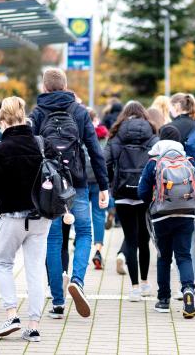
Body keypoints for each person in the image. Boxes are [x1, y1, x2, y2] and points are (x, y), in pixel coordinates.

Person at [29, 68, 109, 319]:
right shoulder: (79, 111)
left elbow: (31, 152)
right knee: (85, 232)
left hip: (49, 184)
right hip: (78, 182)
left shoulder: (38, 113)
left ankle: (58, 301)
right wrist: (104, 186)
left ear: (44, 87)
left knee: (52, 239)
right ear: (65, 86)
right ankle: (77, 280)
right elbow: (95, 151)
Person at [0, 96, 53, 342]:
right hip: (41, 216)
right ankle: (34, 325)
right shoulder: (40, 144)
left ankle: (12, 314)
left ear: (3, 120)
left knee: (3, 262)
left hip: (12, 216)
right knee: (35, 269)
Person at [138, 125, 195, 317]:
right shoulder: (189, 160)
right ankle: (188, 291)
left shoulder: (154, 162)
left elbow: (142, 192)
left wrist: (154, 202)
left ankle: (163, 300)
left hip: (162, 216)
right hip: (187, 214)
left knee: (164, 257)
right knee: (183, 255)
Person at [105, 101, 159, 301]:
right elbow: (158, 162)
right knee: (144, 240)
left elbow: (106, 162)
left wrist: (112, 183)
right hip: (145, 195)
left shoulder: (117, 135)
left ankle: (134, 287)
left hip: (122, 194)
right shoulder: (152, 135)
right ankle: (145, 283)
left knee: (130, 239)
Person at [165, 93, 195, 293]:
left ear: (176, 106)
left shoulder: (171, 129)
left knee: (179, 237)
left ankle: (184, 283)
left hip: (175, 192)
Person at [86, 107, 109, 270]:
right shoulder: (103, 136)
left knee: (80, 216)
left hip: (80, 181)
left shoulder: (77, 133)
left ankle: (80, 246)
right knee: (99, 215)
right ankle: (98, 249)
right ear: (96, 120)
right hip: (98, 181)